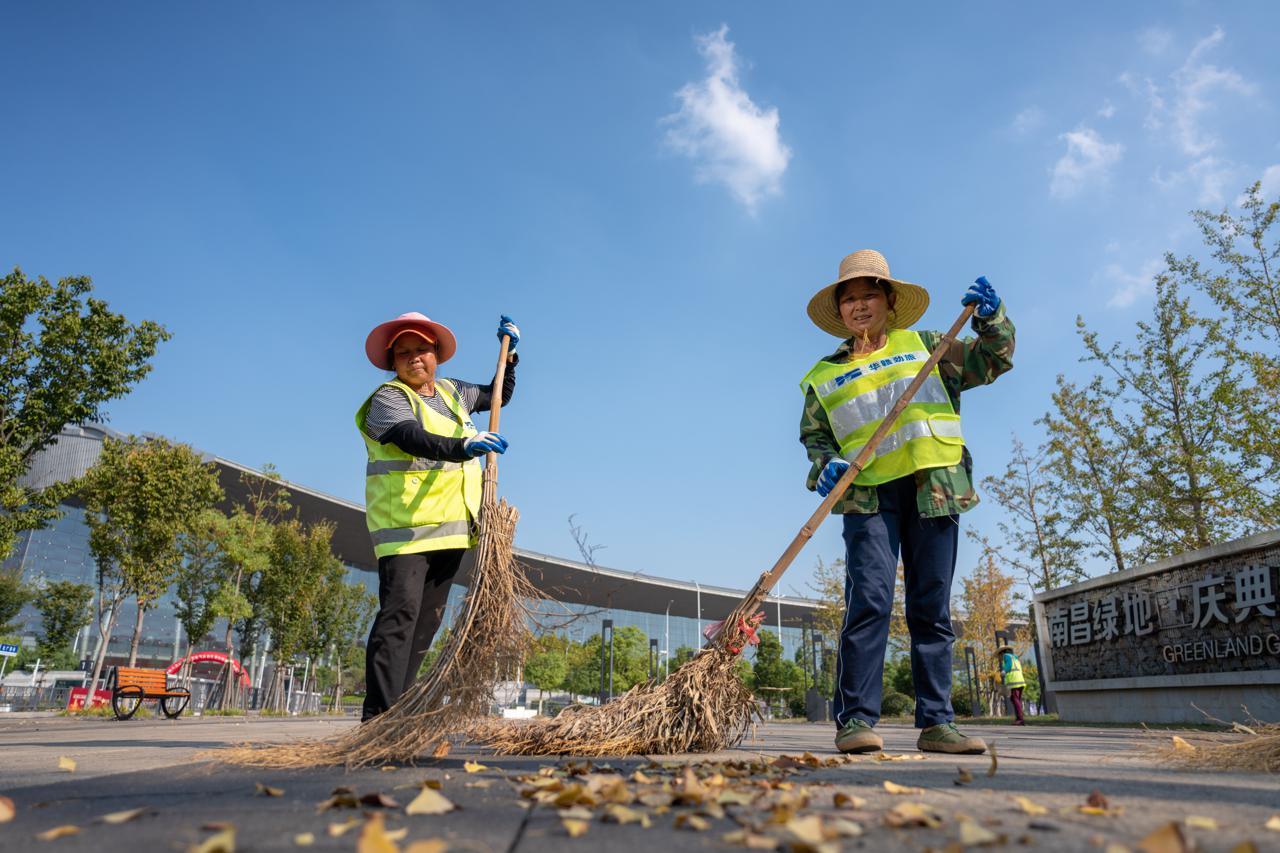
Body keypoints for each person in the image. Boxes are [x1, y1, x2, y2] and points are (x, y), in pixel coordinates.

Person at [799, 249, 1015, 755]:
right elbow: (816, 440)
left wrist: (992, 320)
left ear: (889, 300)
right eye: (849, 299)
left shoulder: (927, 347)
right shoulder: (823, 375)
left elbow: (992, 361)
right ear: (840, 310)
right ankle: (855, 720)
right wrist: (824, 468)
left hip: (932, 489)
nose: (859, 306)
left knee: (931, 608)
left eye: (868, 294)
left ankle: (937, 723)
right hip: (868, 498)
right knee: (869, 602)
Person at [356, 311, 521, 722]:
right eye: (404, 353)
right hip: (406, 532)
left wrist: (510, 359)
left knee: (426, 625)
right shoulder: (388, 398)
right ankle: (377, 719)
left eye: (422, 350)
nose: (414, 358)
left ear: (436, 355)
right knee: (399, 619)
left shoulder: (451, 392)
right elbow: (413, 437)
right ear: (393, 362)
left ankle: (402, 714)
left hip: (451, 533)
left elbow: (496, 396)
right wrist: (464, 445)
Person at [998, 644, 1026, 725]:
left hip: (1014, 681)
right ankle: (1019, 718)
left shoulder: (1006, 656)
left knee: (1014, 699)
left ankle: (1020, 719)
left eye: (999, 655)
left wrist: (1004, 671)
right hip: (1020, 680)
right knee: (1016, 699)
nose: (999, 658)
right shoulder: (1015, 657)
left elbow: (1009, 665)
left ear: (1002, 653)